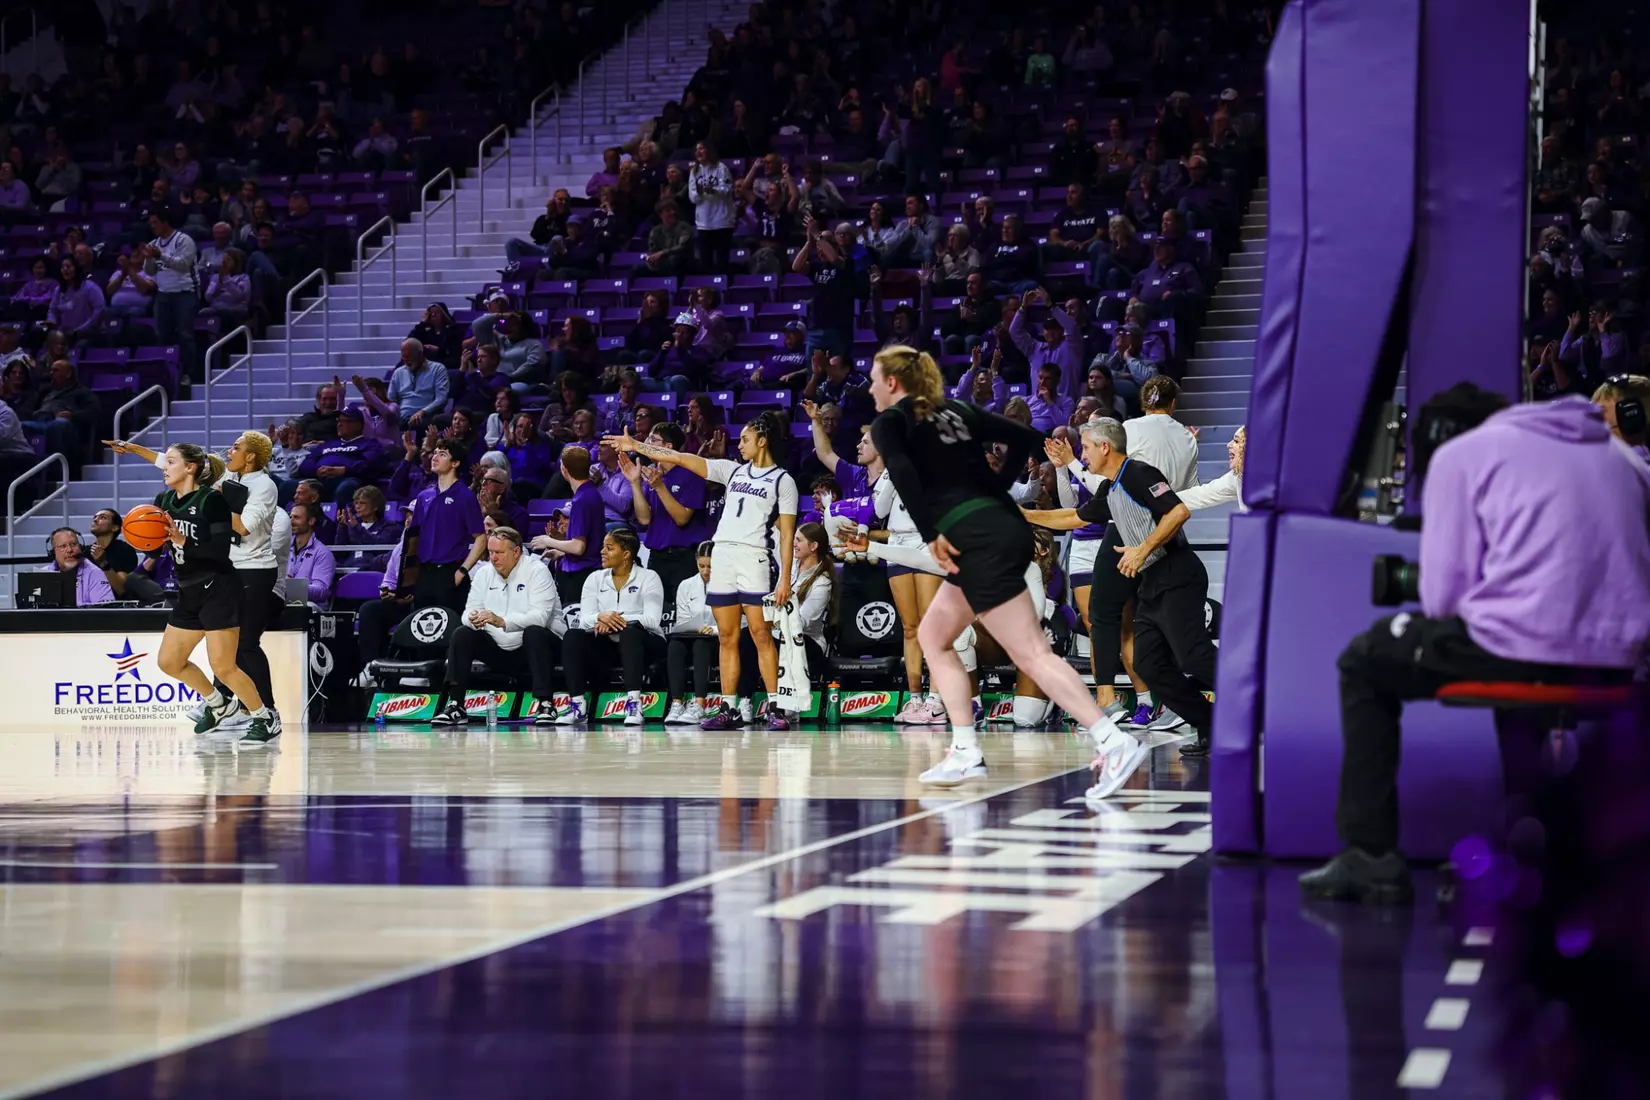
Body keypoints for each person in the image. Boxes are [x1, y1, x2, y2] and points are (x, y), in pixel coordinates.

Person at [1300, 391, 1650, 904]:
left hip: (1522, 648)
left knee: (1366, 659)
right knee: (1519, 670)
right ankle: (1534, 843)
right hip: (1621, 663)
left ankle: (1370, 854)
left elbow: (1442, 600)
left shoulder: (1464, 455)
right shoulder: (1627, 459)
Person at [865, 345, 1143, 797]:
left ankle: (1113, 741)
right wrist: (996, 486)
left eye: (876, 378)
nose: (872, 387)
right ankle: (965, 750)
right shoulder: (953, 408)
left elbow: (900, 470)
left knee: (1032, 654)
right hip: (1006, 527)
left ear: (893, 382)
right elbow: (1025, 437)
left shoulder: (891, 421)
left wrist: (932, 530)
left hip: (975, 537)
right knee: (935, 637)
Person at [1030, 418, 1216, 756]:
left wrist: (1142, 549)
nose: (1081, 455)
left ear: (1105, 447)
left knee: (1194, 656)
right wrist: (1024, 515)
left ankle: (1261, 704)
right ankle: (1210, 723)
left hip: (1177, 575)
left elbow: (1178, 511)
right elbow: (1075, 518)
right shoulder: (1110, 487)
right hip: (1152, 583)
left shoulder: (1138, 474)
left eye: (1085, 448)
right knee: (1148, 664)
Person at [605, 411, 799, 730]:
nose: (740, 445)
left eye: (746, 440)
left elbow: (788, 534)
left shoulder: (783, 480)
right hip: (723, 556)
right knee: (726, 636)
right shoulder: (731, 471)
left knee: (761, 635)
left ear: (763, 442)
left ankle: (776, 707)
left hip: (755, 559)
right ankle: (729, 707)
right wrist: (636, 445)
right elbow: (678, 456)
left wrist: (785, 581)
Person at [127, 442, 279, 744]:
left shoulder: (213, 501)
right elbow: (156, 544)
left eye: (171, 462)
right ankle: (219, 705)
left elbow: (220, 552)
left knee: (224, 666)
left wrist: (182, 540)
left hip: (219, 587)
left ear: (190, 467)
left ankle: (265, 717)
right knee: (169, 661)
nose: (165, 467)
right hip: (188, 590)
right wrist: (145, 538)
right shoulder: (164, 499)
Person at [433, 526, 564, 726]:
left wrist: (502, 622)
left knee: (534, 633)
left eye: (499, 553)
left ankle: (546, 703)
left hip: (540, 647)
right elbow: (468, 612)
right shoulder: (484, 573)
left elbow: (541, 618)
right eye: (491, 553)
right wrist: (474, 618)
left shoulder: (537, 570)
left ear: (516, 552)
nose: (493, 558)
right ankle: (456, 705)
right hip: (500, 648)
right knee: (462, 634)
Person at [552, 528, 667, 725]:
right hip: (607, 643)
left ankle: (634, 704)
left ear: (626, 554)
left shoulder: (649, 577)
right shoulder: (595, 579)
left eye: (609, 548)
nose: (602, 552)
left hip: (645, 643)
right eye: (603, 547)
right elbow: (586, 618)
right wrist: (601, 617)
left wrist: (615, 621)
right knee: (573, 636)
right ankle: (577, 705)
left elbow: (652, 619)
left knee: (630, 634)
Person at [618, 422, 708, 624]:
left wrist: (659, 487)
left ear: (668, 446)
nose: (647, 443)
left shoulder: (691, 473)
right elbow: (644, 518)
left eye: (653, 440)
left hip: (684, 558)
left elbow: (682, 518)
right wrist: (635, 483)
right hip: (657, 558)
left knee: (685, 619)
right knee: (657, 617)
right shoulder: (652, 473)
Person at [405, 439, 487, 610]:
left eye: (442, 454)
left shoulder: (465, 496)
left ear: (455, 463)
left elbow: (480, 538)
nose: (435, 457)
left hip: (450, 571)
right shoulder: (423, 496)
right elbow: (414, 537)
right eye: (435, 453)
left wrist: (462, 572)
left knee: (449, 629)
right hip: (424, 573)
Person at [531, 443, 604, 605]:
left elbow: (579, 547)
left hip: (581, 575)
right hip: (588, 570)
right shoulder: (591, 493)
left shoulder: (582, 500)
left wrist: (547, 541)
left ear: (564, 469)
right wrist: (562, 552)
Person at [141, 207, 200, 382]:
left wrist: (161, 256)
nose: (152, 227)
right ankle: (165, 375)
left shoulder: (183, 240)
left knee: (185, 334)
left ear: (165, 222)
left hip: (184, 293)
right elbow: (150, 271)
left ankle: (189, 373)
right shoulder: (153, 244)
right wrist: (150, 258)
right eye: (150, 224)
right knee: (162, 335)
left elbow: (183, 264)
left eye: (155, 223)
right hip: (163, 295)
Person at [664, 542, 717, 725]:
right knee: (675, 645)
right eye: (701, 566)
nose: (705, 571)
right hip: (693, 635)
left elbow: (740, 621)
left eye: (710, 566)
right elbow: (683, 619)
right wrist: (695, 627)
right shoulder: (686, 585)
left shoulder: (728, 585)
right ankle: (677, 703)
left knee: (702, 644)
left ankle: (699, 705)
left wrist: (714, 629)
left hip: (719, 639)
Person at [85, 508, 165, 603]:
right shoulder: (86, 552)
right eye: (95, 517)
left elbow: (123, 590)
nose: (95, 520)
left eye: (103, 517)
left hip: (117, 606)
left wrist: (104, 565)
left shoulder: (124, 550)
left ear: (115, 527)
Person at [39, 527, 116, 605]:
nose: (69, 550)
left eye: (73, 544)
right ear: (53, 552)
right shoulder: (42, 574)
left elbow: (105, 611)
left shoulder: (94, 573)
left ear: (81, 548)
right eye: (63, 546)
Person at [286, 501, 336, 608]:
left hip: (310, 605)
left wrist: (292, 588)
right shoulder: (282, 549)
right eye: (290, 517)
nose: (291, 521)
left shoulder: (323, 553)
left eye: (297, 517)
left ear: (311, 521)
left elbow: (322, 591)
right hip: (284, 601)